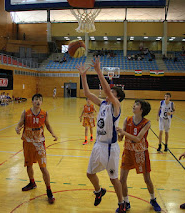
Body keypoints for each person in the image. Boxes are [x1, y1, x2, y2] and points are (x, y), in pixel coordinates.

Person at [76, 57, 126, 213]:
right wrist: (83, 76)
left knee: (113, 178)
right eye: (110, 91)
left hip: (110, 148)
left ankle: (121, 203)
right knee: (90, 174)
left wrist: (98, 71)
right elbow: (86, 93)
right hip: (98, 144)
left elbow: (105, 91)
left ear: (116, 97)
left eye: (112, 92)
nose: (108, 93)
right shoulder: (103, 104)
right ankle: (98, 191)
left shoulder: (116, 106)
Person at [116, 99, 162, 212]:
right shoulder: (127, 120)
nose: (134, 105)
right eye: (134, 104)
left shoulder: (147, 123)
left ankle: (153, 199)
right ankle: (126, 202)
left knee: (147, 179)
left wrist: (123, 132)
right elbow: (120, 139)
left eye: (137, 105)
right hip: (127, 152)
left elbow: (137, 139)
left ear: (142, 110)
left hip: (141, 153)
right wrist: (116, 133)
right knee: (122, 180)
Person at [15, 93, 58, 204]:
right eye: (36, 99)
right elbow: (19, 124)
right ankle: (32, 183)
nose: (38, 101)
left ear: (41, 102)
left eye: (40, 100)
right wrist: (17, 128)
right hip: (28, 143)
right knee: (28, 165)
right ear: (32, 101)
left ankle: (49, 190)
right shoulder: (25, 113)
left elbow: (47, 125)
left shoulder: (44, 113)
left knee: (43, 168)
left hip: (39, 144)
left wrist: (53, 133)